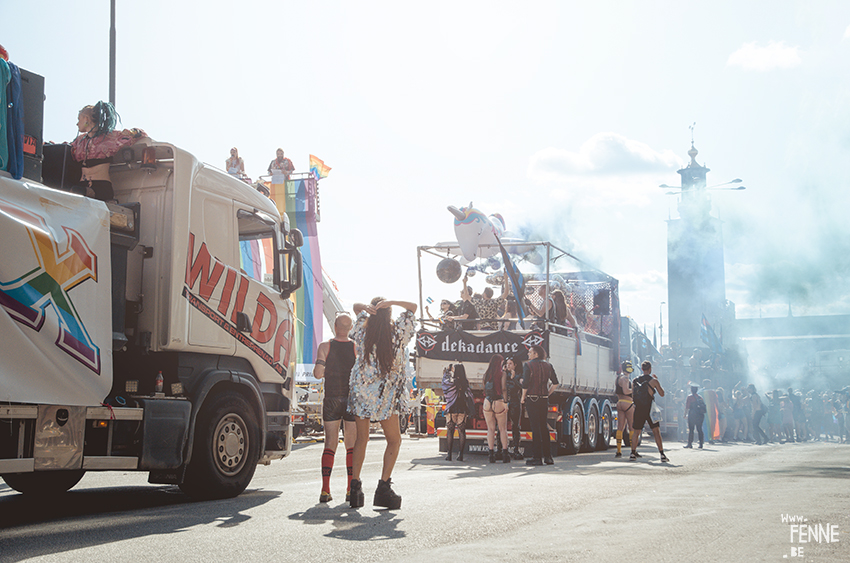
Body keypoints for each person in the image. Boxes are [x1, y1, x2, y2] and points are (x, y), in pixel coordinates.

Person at [347, 297, 417, 510]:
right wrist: (392, 302)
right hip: (386, 392)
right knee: (394, 440)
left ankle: (355, 488)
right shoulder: (398, 333)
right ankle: (383, 487)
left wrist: (365, 308)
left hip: (362, 391)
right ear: (389, 313)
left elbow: (354, 307)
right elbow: (412, 307)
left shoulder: (363, 331)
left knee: (362, 439)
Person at [312, 313, 357, 503]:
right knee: (351, 446)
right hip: (351, 400)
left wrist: (325, 366)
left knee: (330, 442)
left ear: (335, 326)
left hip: (331, 399)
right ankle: (349, 489)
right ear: (350, 328)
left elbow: (317, 374)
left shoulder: (325, 346)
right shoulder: (356, 348)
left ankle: (325, 490)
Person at [70, 102, 146, 201]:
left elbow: (141, 134)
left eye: (79, 119)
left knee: (75, 192)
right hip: (82, 185)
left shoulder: (110, 137)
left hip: (100, 186)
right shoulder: (79, 141)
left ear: (86, 119)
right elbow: (66, 147)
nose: (77, 123)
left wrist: (133, 131)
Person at [521, 345, 558, 466]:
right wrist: (548, 393)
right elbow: (555, 383)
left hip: (532, 398)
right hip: (544, 399)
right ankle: (548, 456)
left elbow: (525, 384)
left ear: (536, 354)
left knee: (535, 427)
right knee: (544, 426)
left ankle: (537, 457)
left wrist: (523, 397)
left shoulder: (528, 365)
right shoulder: (548, 365)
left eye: (530, 352)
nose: (528, 354)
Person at [629, 361, 669, 462]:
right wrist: (657, 381)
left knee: (636, 432)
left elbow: (633, 395)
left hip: (639, 408)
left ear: (642, 369)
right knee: (656, 431)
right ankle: (662, 454)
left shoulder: (635, 380)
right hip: (650, 408)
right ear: (650, 369)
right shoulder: (653, 381)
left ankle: (633, 453)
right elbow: (662, 394)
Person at [442, 363, 474, 461]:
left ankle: (449, 455)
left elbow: (444, 383)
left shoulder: (451, 381)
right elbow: (469, 394)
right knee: (462, 432)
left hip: (452, 409)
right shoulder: (465, 382)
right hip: (462, 409)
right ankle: (460, 455)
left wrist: (447, 372)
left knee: (450, 432)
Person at [483, 354, 510, 463]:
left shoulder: (486, 374)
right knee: (502, 429)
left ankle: (491, 454)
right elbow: (503, 388)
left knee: (490, 429)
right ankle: (505, 454)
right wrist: (506, 402)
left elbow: (484, 388)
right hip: (498, 401)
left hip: (487, 402)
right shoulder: (502, 374)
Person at [505, 356, 525, 459]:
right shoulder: (504, 374)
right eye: (507, 363)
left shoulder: (519, 376)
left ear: (515, 365)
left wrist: (514, 378)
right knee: (501, 426)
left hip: (515, 402)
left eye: (510, 364)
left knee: (515, 426)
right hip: (504, 402)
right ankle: (502, 449)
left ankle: (516, 449)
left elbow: (523, 387)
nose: (508, 365)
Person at [615, 360, 635, 458]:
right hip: (628, 403)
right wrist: (634, 389)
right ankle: (633, 451)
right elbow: (626, 391)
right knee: (631, 427)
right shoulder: (626, 379)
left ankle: (618, 451)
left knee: (620, 428)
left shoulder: (618, 378)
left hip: (619, 403)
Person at [684, 383, 705, 448]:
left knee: (691, 429)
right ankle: (701, 444)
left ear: (691, 390)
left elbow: (687, 407)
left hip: (692, 415)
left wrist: (685, 414)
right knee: (699, 429)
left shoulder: (689, 397)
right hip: (700, 415)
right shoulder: (700, 397)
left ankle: (690, 444)